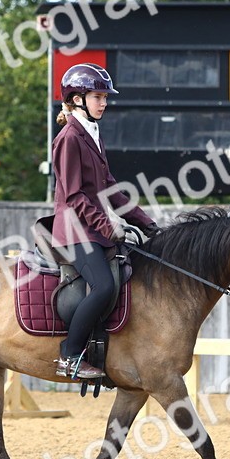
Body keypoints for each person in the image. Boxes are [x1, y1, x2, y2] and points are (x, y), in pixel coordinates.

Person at [50, 62, 158, 380]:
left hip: (91, 230)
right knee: (102, 286)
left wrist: (145, 223)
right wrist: (108, 226)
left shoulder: (92, 134)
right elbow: (73, 197)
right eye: (98, 96)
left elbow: (110, 189)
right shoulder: (69, 138)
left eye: (105, 97)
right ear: (78, 98)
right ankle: (69, 356)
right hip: (73, 230)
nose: (104, 103)